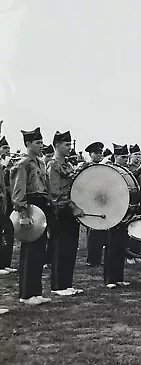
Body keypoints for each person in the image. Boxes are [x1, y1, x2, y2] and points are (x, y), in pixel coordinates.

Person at [10, 127, 51, 305]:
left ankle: (36, 291)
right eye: (38, 143)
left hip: (41, 205)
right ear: (28, 144)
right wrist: (23, 213)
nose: (41, 145)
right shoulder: (23, 164)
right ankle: (26, 294)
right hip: (29, 206)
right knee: (29, 250)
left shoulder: (40, 163)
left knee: (39, 251)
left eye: (42, 142)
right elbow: (19, 191)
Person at [47, 131, 84, 296]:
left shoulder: (68, 165)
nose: (69, 148)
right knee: (60, 248)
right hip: (60, 210)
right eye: (66, 145)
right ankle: (58, 286)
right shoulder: (53, 165)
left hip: (70, 211)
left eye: (70, 144)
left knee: (71, 247)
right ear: (57, 145)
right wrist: (72, 206)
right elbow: (55, 193)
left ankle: (67, 283)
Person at [103, 144, 131, 288]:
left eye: (127, 157)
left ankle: (119, 277)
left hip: (123, 210)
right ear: (115, 157)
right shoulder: (109, 171)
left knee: (121, 245)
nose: (125, 160)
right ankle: (109, 279)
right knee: (112, 245)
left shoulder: (125, 171)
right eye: (122, 157)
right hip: (111, 211)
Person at [83, 142, 107, 268]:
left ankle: (97, 258)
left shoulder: (102, 168)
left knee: (99, 229)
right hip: (89, 201)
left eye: (100, 153)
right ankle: (91, 259)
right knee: (92, 230)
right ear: (90, 154)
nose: (99, 155)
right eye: (96, 153)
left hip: (100, 201)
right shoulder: (85, 167)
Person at [0, 135, 16, 274]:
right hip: (2, 201)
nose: (7, 150)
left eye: (8, 148)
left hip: (7, 201)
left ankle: (6, 263)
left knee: (9, 232)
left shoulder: (7, 163)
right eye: (5, 147)